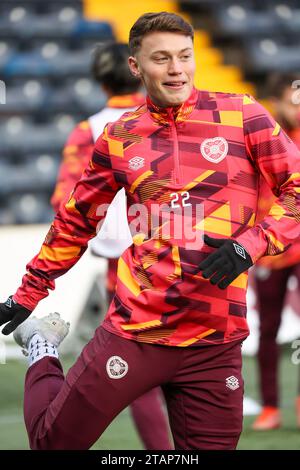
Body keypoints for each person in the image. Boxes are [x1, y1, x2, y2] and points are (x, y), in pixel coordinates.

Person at [1, 11, 300, 450]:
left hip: (215, 340)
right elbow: (78, 220)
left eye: (184, 56)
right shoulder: (119, 137)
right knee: (51, 444)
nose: (177, 68)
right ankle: (42, 348)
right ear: (136, 66)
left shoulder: (243, 116)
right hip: (137, 327)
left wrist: (251, 244)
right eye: (161, 58)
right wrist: (29, 292)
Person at [50, 41, 172, 450]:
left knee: (135, 367)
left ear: (99, 79)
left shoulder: (88, 130)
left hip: (120, 266)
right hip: (178, 252)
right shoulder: (166, 119)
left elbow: (65, 203)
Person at [251, 73, 300, 431]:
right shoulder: (260, 138)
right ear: (276, 101)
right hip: (268, 246)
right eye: (293, 99)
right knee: (268, 329)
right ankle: (270, 407)